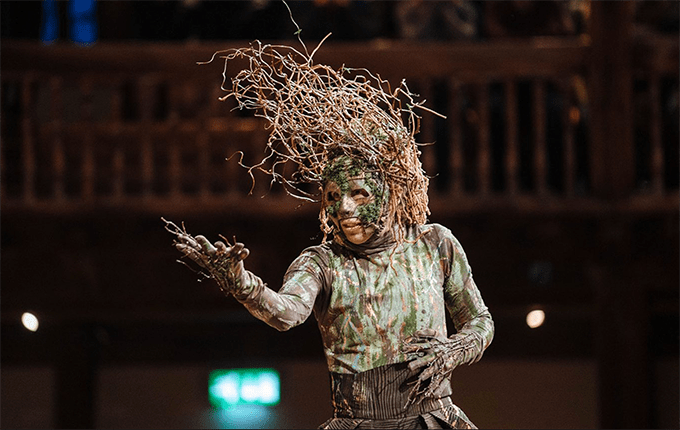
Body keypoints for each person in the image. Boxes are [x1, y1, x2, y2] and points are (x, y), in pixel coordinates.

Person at [165, 35, 494, 429]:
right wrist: (242, 284)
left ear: (393, 193)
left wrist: (452, 350)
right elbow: (285, 313)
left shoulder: (434, 244)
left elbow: (480, 321)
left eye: (359, 193)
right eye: (334, 196)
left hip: (432, 418)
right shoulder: (322, 263)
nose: (344, 208)